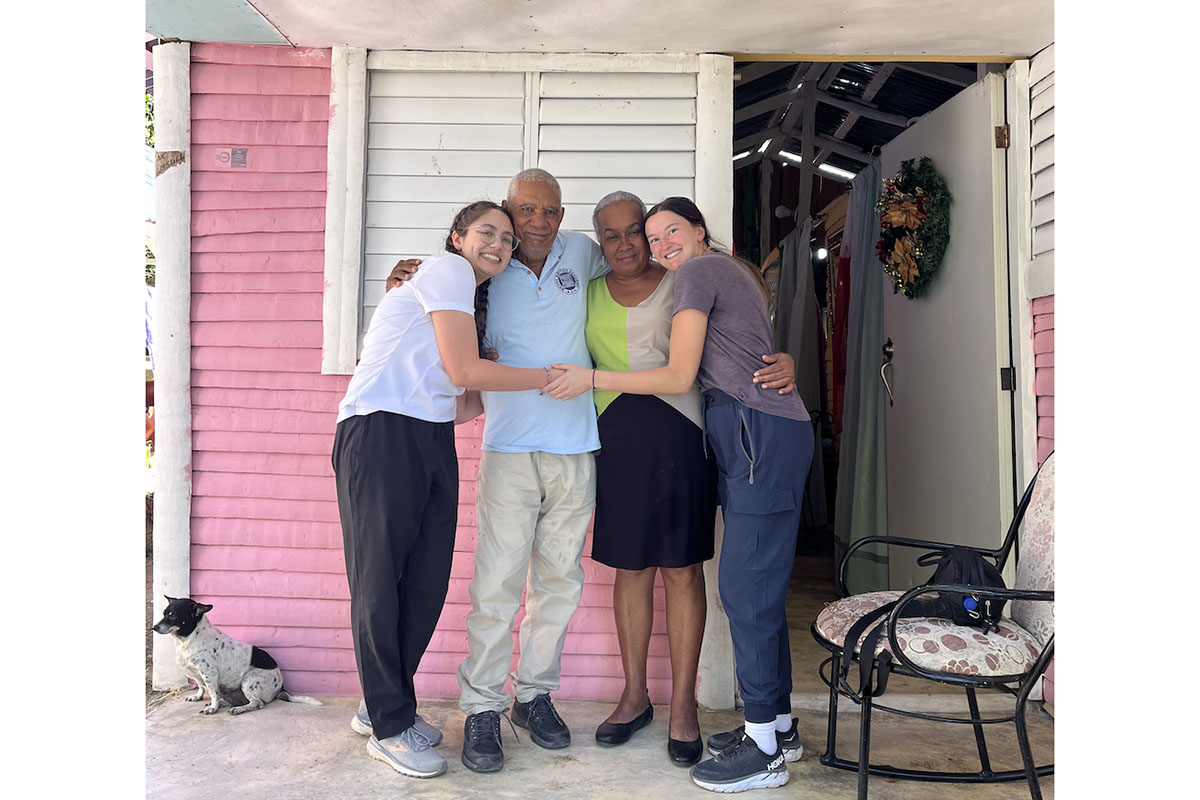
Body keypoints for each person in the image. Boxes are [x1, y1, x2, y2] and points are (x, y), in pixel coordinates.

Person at [385, 172, 795, 776]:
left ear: (563, 216)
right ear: (507, 212)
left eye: (549, 211)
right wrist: (409, 272)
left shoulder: (621, 261)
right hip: (540, 443)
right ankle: (485, 708)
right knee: (504, 582)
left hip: (606, 442)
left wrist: (781, 357)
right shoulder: (492, 266)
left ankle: (551, 697)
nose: (537, 222)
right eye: (526, 209)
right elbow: (453, 270)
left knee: (573, 582)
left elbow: (723, 306)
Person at [548, 197, 814, 793]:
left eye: (671, 231)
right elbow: (749, 342)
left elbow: (678, 376)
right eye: (651, 234)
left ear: (699, 230)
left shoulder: (696, 273)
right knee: (755, 587)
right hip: (745, 429)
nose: (658, 243)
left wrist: (589, 378)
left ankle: (764, 745)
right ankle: (780, 727)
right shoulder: (716, 270)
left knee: (745, 590)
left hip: (750, 429)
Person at [332, 201, 577, 780]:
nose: (499, 244)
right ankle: (389, 727)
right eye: (487, 232)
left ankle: (382, 703)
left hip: (429, 436)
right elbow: (466, 373)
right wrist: (548, 377)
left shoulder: (464, 301)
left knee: (423, 581)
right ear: (457, 237)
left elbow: (462, 399)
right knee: (380, 581)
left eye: (507, 239)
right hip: (381, 430)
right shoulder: (445, 272)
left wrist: (491, 374)